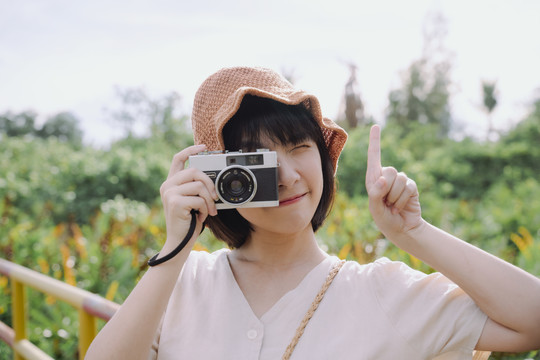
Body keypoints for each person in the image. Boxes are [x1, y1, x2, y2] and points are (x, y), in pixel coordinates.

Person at [86, 67, 540, 360]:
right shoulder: (183, 284)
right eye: (255, 160)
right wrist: (175, 247)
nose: (286, 175)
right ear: (219, 178)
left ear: (323, 160)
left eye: (299, 148)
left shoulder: (383, 293)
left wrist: (414, 233)